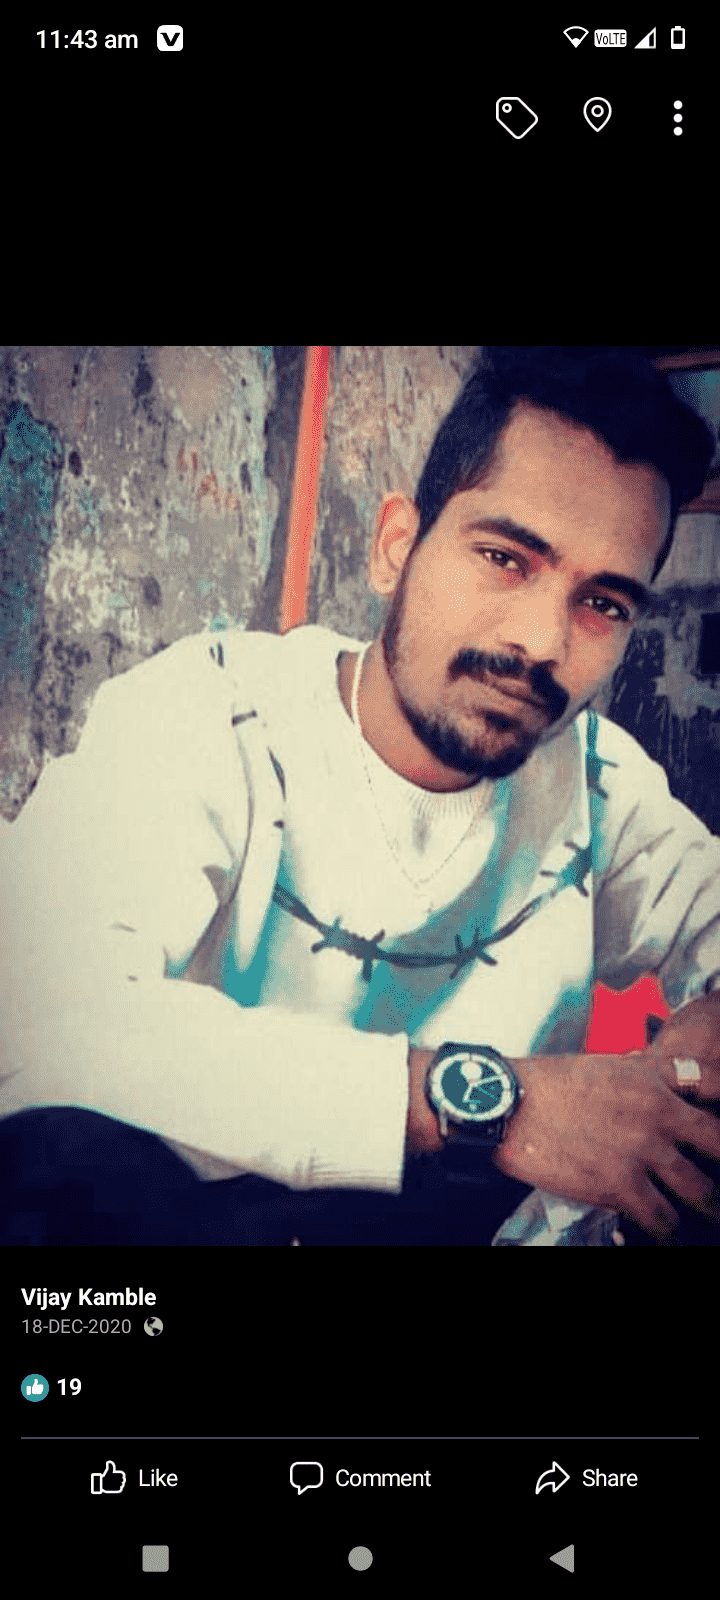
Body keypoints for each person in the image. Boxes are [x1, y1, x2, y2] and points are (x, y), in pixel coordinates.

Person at [2, 345, 720, 1247]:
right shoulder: (211, 713)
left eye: (604, 604)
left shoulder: (602, 787)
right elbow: (36, 1016)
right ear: (395, 547)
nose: (543, 640)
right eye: (505, 557)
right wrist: (497, 1107)